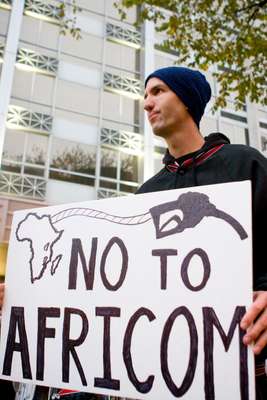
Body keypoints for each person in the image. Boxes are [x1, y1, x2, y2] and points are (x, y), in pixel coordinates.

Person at [137, 65, 267, 399]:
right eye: (146, 94)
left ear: (187, 101)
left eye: (158, 91)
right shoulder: (147, 193)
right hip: (166, 376)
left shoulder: (245, 164)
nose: (146, 103)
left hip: (250, 366)